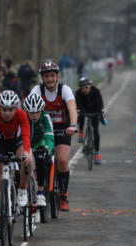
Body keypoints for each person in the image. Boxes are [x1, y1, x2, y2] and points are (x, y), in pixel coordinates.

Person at [0, 90, 33, 238]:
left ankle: (22, 189)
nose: (7, 113)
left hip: (17, 142)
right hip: (0, 143)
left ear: (16, 108)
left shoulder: (21, 114)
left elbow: (26, 134)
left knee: (28, 160)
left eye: (10, 110)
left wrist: (26, 152)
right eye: (4, 110)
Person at [30, 61, 77, 211]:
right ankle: (36, 193)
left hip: (63, 128)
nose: (49, 79)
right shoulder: (37, 90)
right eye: (46, 76)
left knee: (62, 160)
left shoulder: (65, 90)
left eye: (52, 76)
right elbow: (28, 108)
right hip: (42, 129)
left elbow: (72, 108)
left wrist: (73, 125)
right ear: (42, 78)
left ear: (57, 76)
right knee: (36, 160)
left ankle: (63, 196)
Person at [23, 93, 54, 207]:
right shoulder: (22, 117)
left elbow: (49, 135)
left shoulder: (45, 117)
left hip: (40, 142)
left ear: (42, 110)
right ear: (26, 111)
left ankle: (40, 192)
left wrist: (48, 149)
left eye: (37, 112)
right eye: (31, 113)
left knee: (42, 158)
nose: (34, 116)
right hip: (26, 143)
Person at [75, 76, 106, 164]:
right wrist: (79, 111)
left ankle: (97, 153)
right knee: (80, 116)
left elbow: (100, 104)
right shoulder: (78, 93)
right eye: (82, 88)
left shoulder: (96, 91)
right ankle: (81, 133)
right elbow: (77, 105)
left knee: (95, 130)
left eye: (87, 87)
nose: (84, 89)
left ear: (90, 86)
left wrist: (101, 114)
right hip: (84, 110)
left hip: (94, 111)